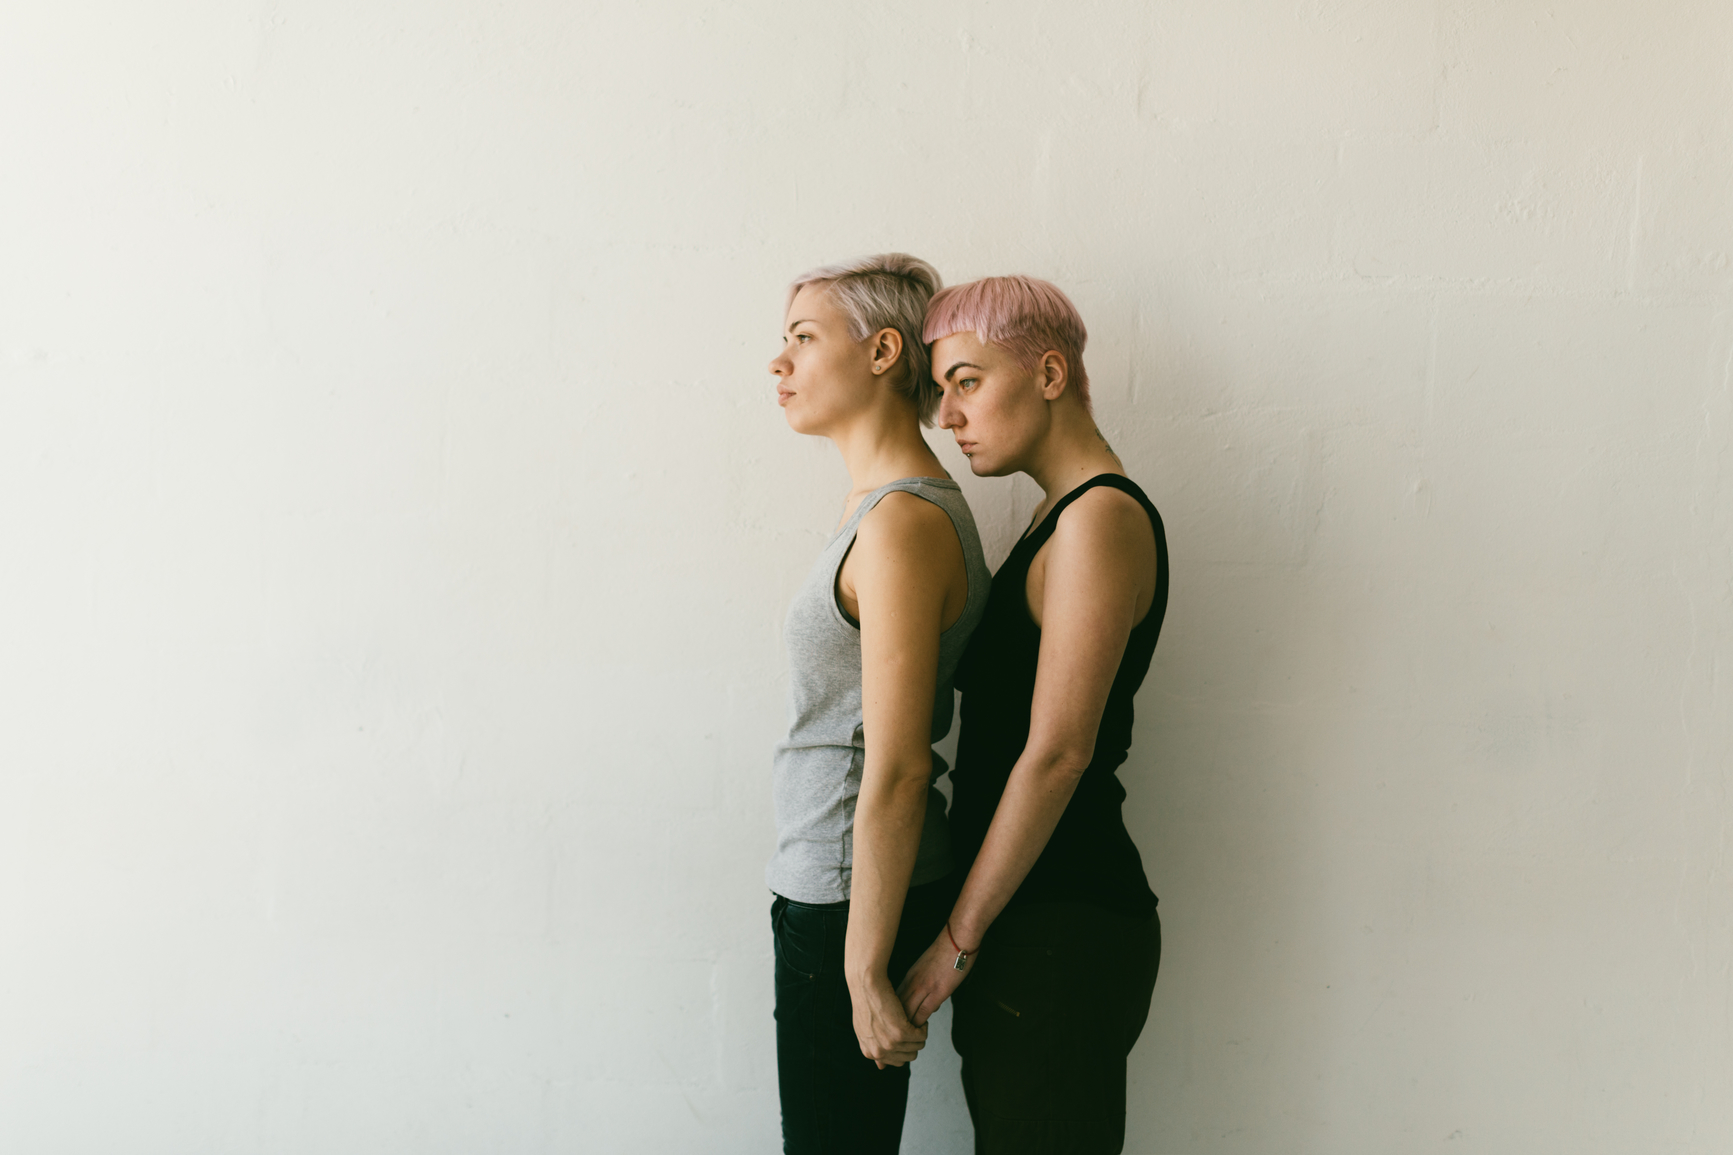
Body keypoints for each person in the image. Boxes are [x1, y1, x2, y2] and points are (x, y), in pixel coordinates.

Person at [896, 276, 1169, 1154]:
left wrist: (956, 942)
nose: (948, 414)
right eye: (941, 390)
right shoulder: (1060, 518)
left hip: (1059, 929)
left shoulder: (1099, 520)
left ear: (1049, 373)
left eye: (967, 381)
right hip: (1034, 926)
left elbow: (1057, 752)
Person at [765, 253, 992, 1154]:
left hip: (849, 900)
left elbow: (896, 765)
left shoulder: (900, 524)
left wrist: (862, 966)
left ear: (881, 350)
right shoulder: (879, 513)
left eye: (802, 338)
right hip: (834, 886)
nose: (777, 364)